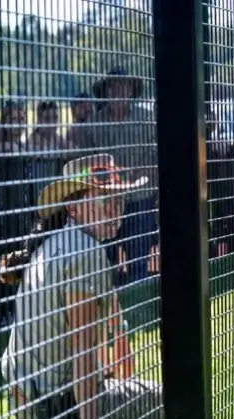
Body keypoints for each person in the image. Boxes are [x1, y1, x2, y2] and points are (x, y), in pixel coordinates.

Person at [0, 154, 162, 419]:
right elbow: (82, 349)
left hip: (29, 411)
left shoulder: (57, 242)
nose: (115, 211)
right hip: (63, 412)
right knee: (172, 396)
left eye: (119, 201)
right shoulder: (85, 253)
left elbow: (103, 332)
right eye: (103, 200)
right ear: (72, 207)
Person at [74, 69, 158, 286]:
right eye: (113, 86)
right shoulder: (92, 125)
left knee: (138, 260)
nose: (118, 91)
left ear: (131, 91)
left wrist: (134, 178)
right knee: (105, 261)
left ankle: (139, 310)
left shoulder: (147, 119)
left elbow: (154, 158)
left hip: (138, 199)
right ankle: (107, 308)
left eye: (124, 86)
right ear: (106, 91)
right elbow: (85, 163)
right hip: (104, 204)